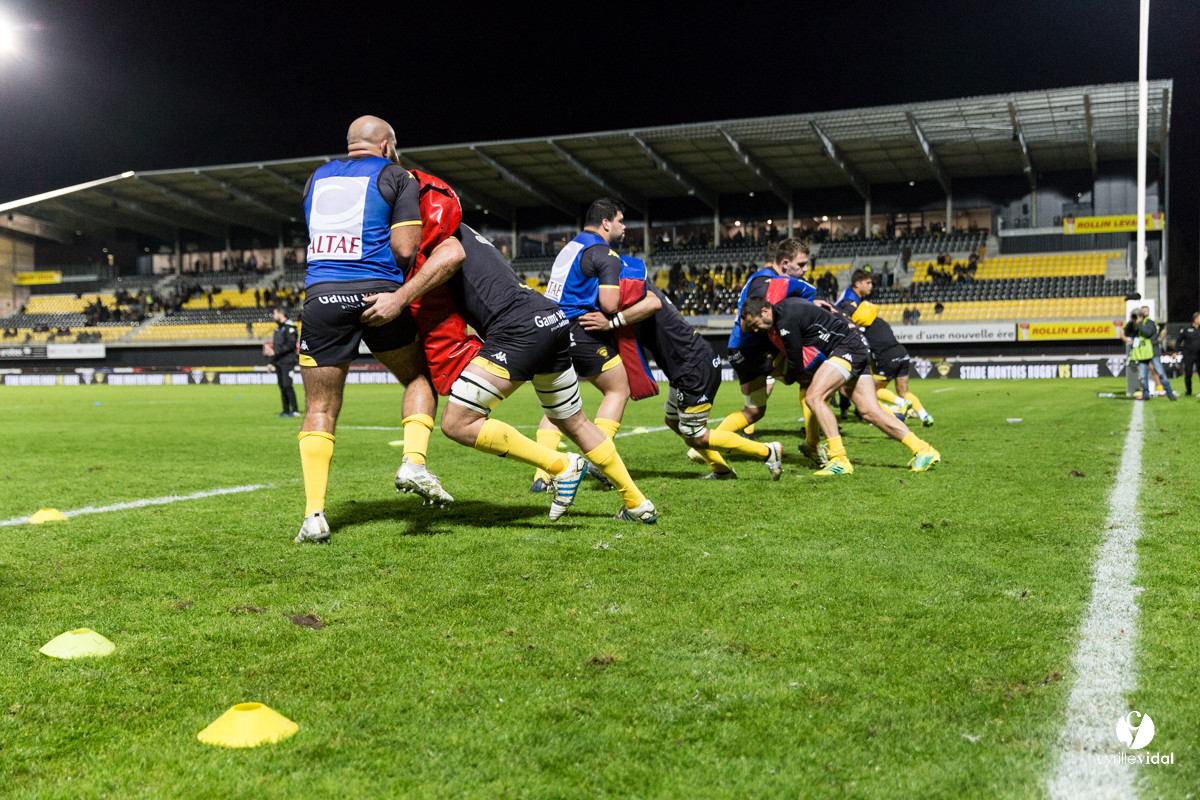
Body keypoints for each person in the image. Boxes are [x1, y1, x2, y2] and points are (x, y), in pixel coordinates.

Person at [388, 220, 658, 523]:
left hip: (516, 328)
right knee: (575, 421)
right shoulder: (458, 226)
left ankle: (559, 465)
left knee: (457, 422)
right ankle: (637, 503)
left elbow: (450, 259)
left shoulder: (438, 236)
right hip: (549, 317)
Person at [294, 115, 453, 545]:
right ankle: (413, 462)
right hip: (378, 295)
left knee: (320, 408)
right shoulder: (395, 174)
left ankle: (313, 515)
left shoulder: (316, 178)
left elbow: (318, 238)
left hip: (322, 297)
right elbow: (404, 248)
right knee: (419, 378)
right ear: (387, 145)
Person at [582, 260, 783, 481]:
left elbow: (653, 304)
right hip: (684, 367)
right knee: (674, 422)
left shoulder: (638, 293)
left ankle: (767, 452)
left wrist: (611, 322)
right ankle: (722, 471)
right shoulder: (635, 290)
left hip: (693, 366)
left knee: (696, 435)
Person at [740, 296, 940, 475]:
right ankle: (923, 449)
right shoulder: (787, 307)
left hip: (846, 348)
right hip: (856, 347)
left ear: (765, 311)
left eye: (756, 324)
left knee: (813, 397)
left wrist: (786, 378)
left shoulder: (785, 320)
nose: (756, 330)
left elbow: (795, 362)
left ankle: (839, 458)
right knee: (870, 411)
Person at [529, 199, 633, 493]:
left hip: (550, 327)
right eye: (621, 221)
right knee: (618, 388)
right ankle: (600, 459)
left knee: (557, 404)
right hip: (580, 330)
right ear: (605, 223)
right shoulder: (605, 253)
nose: (624, 227)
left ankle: (543, 475)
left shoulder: (569, 247)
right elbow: (610, 304)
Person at [836, 270, 933, 429]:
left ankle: (893, 411)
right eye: (868, 283)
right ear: (857, 284)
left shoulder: (858, 309)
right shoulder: (851, 303)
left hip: (884, 355)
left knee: (865, 390)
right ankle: (923, 414)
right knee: (902, 390)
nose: (871, 286)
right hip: (902, 352)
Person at [266, 306, 300, 417]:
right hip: (279, 362)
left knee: (287, 385)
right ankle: (285, 411)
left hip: (288, 361)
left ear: (281, 314)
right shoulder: (277, 330)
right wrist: (271, 362)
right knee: (281, 386)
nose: (273, 316)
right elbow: (276, 348)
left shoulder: (290, 328)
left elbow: (290, 345)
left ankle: (295, 410)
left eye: (274, 313)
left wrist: (275, 351)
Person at [1139, 306, 1177, 400]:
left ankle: (1168, 392)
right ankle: (1146, 393)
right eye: (1144, 311)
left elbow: (1150, 334)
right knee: (1144, 374)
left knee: (1158, 372)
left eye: (1147, 311)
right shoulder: (1138, 324)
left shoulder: (1150, 323)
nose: (1146, 313)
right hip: (1143, 352)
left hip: (1153, 351)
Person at [1174, 311, 1200, 396]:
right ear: (1195, 319)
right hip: (1188, 355)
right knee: (1188, 373)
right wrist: (1175, 351)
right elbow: (1179, 341)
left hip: (1199, 355)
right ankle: (1188, 392)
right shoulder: (1186, 329)